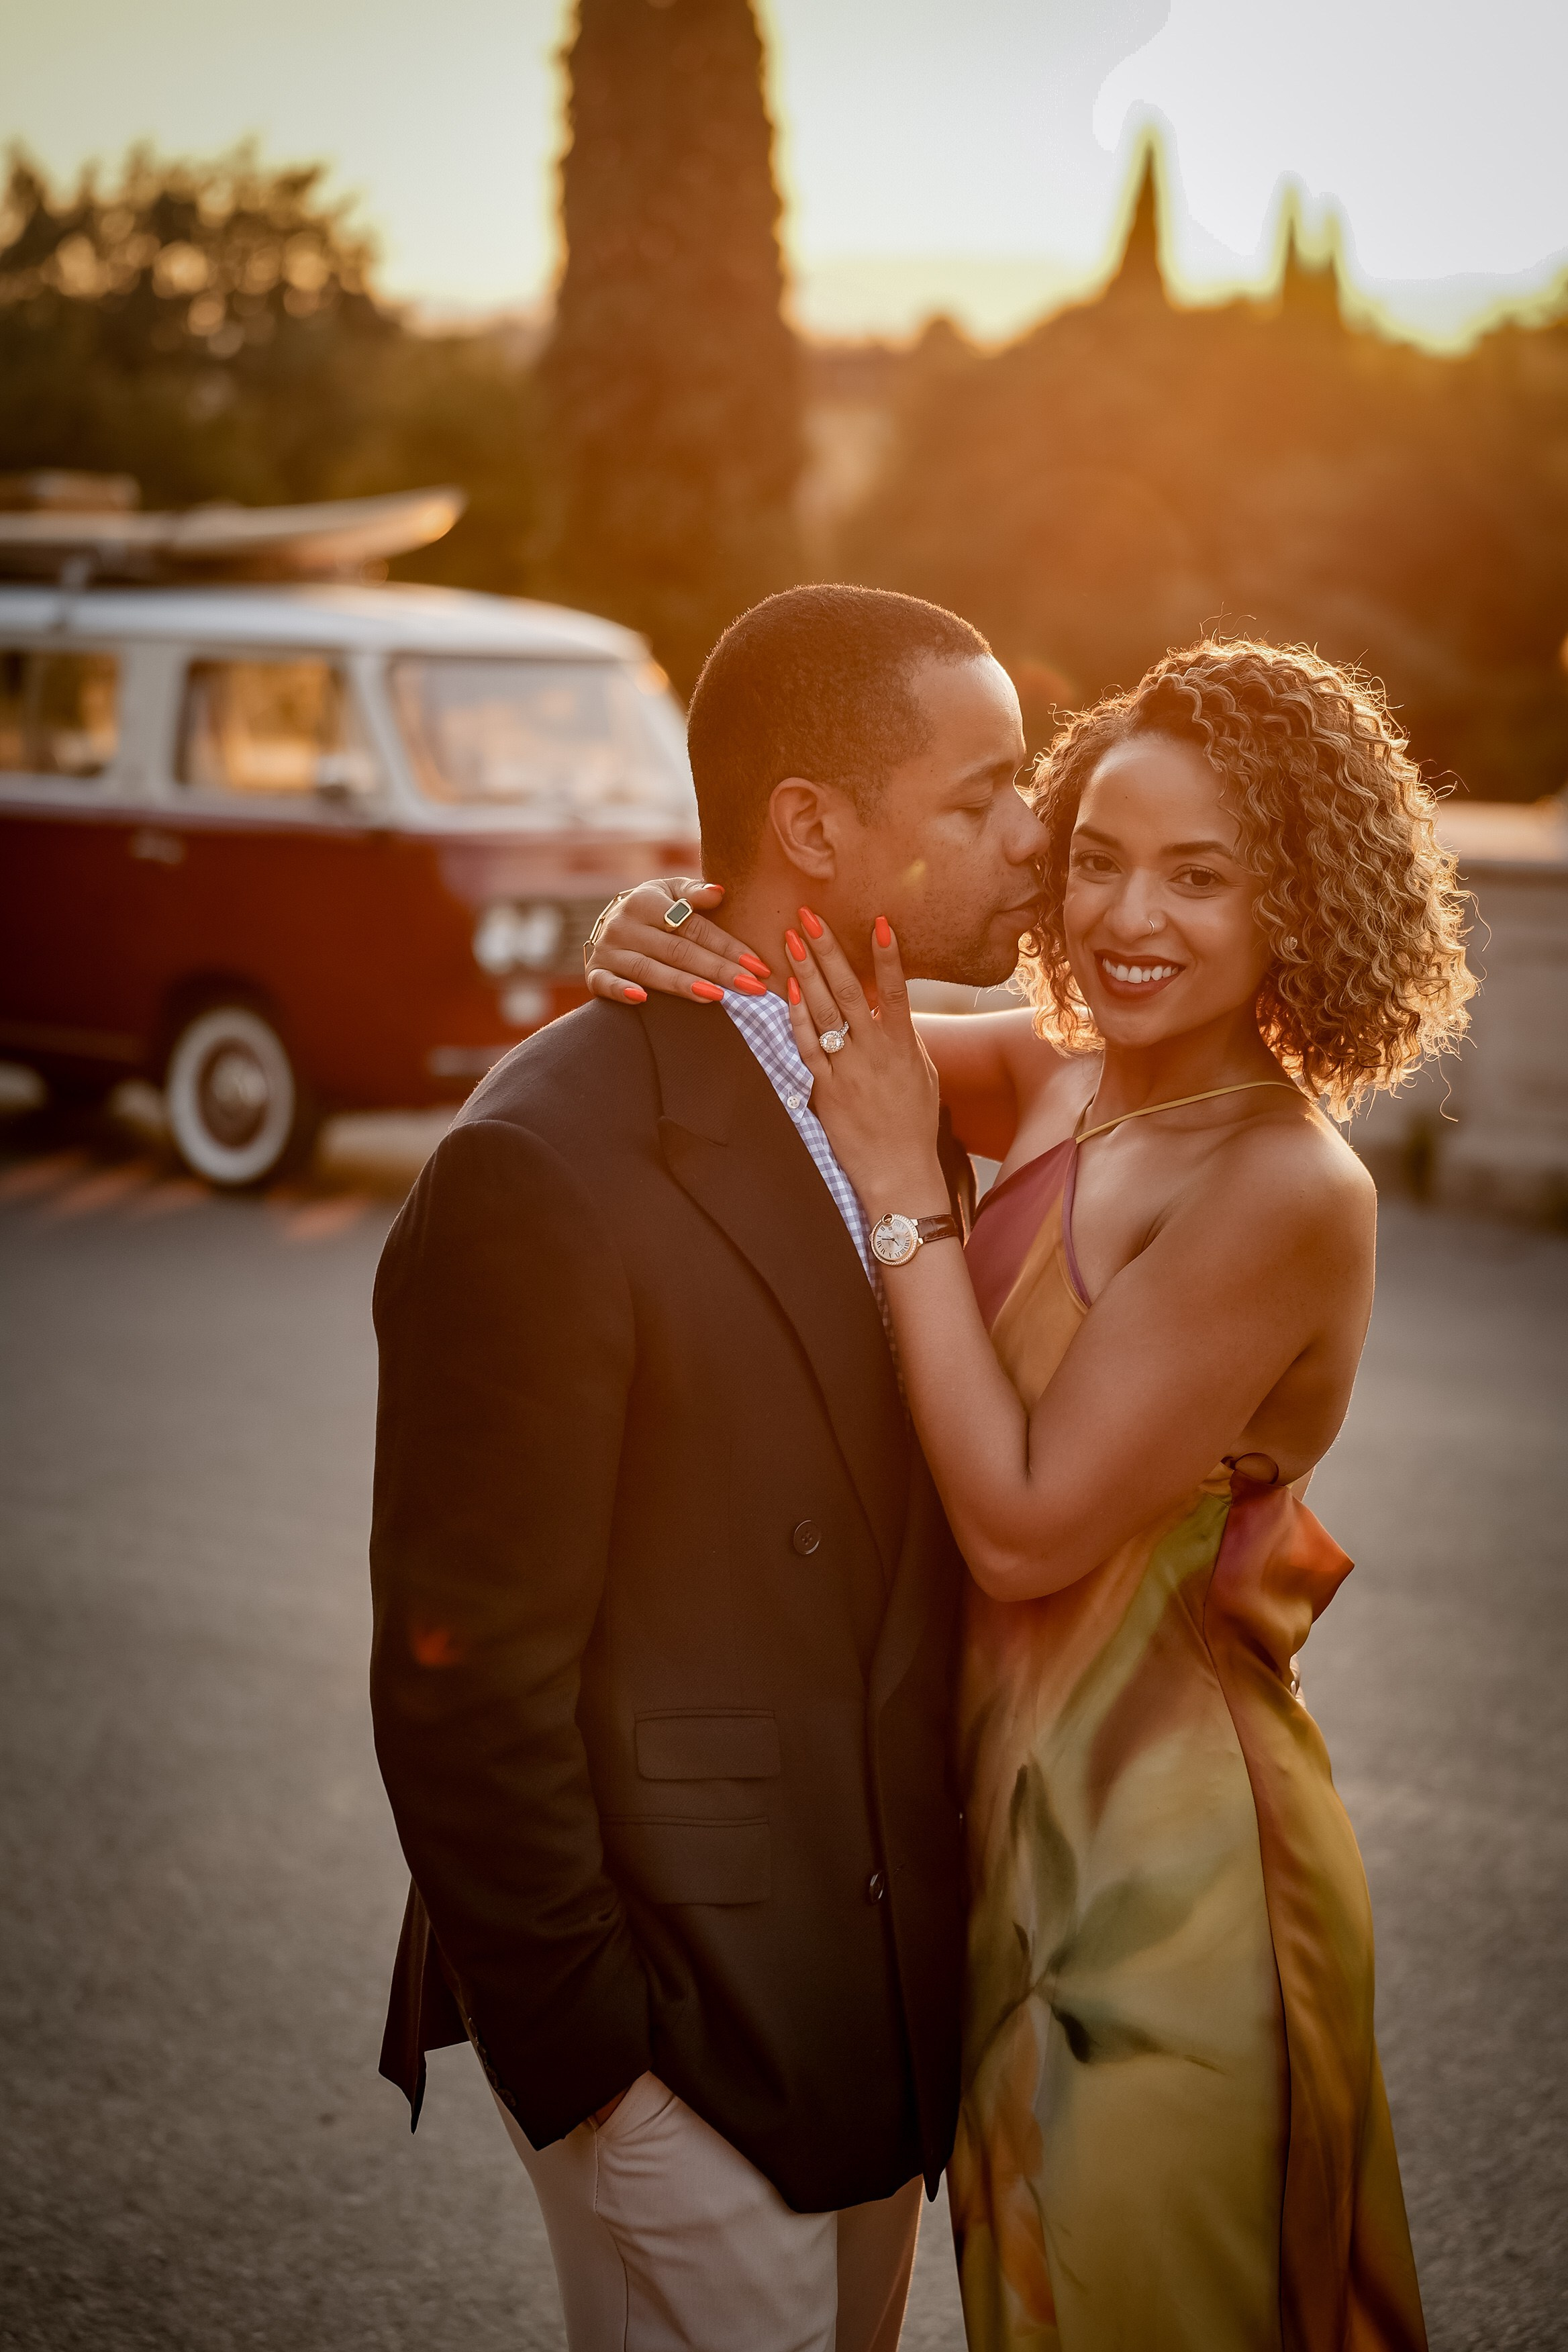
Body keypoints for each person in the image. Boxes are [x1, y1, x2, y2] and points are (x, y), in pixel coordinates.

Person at [587, 635, 1473, 2350]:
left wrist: (904, 1192)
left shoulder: (1288, 1188)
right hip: (995, 1846)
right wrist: (654, 916)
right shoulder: (1070, 1081)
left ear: (1296, 902)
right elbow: (798, 992)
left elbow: (1020, 1525)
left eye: (1199, 877)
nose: (1126, 917)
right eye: (1095, 859)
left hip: (1164, 1878)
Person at [368, 584, 1046, 2351]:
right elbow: (462, 1673)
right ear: (811, 825)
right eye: (979, 799)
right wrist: (597, 2069)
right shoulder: (540, 1165)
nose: (1031, 841)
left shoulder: (914, 1077)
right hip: (678, 2047)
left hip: (880, 2002)